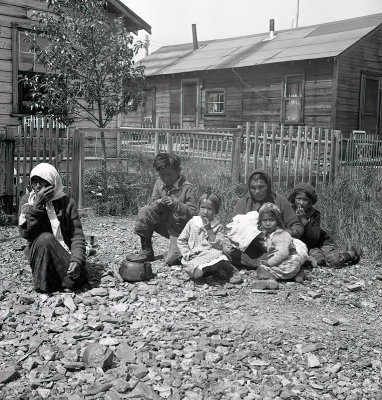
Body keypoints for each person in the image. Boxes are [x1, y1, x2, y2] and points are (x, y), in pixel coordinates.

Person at [18, 163, 87, 292]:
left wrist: (77, 260)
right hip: (38, 253)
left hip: (61, 251)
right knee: (45, 239)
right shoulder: (27, 202)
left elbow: (77, 236)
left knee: (75, 279)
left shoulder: (66, 203)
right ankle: (46, 285)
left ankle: (62, 279)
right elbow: (26, 233)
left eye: (43, 182)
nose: (38, 186)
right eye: (35, 182)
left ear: (53, 183)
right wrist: (37, 207)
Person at [229, 169, 303, 268]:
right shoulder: (243, 203)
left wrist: (283, 234)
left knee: (292, 251)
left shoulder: (280, 202)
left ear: (268, 186)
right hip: (252, 248)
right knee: (232, 254)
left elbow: (298, 227)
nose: (257, 191)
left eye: (261, 187)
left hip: (277, 245)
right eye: (253, 188)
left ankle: (261, 264)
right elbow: (234, 231)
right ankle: (262, 264)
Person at [134, 153, 197, 265]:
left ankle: (177, 249)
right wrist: (159, 203)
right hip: (163, 223)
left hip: (180, 229)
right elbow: (152, 203)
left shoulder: (187, 187)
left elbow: (193, 213)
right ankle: (146, 249)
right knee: (145, 211)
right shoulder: (159, 183)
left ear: (178, 170)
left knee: (173, 260)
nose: (166, 178)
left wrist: (176, 204)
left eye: (169, 174)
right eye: (162, 175)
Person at [288, 183, 361, 268]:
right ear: (293, 199)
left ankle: (351, 253)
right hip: (305, 245)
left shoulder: (315, 214)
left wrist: (304, 221)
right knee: (319, 262)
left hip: (320, 242)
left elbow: (314, 238)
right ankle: (320, 256)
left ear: (310, 202)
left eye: (305, 200)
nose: (301, 203)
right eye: (298, 199)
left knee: (335, 262)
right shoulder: (288, 212)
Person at [177, 192, 243, 284]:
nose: (205, 211)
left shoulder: (217, 226)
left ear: (216, 211)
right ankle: (212, 269)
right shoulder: (192, 223)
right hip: (195, 256)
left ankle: (224, 269)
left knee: (220, 255)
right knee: (194, 271)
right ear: (198, 208)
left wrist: (209, 229)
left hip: (211, 253)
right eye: (203, 207)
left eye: (209, 209)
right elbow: (181, 240)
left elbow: (219, 246)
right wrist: (187, 253)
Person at [254, 202, 307, 287]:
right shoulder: (271, 235)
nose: (268, 223)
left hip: (288, 265)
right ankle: (299, 274)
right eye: (264, 220)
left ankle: (270, 280)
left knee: (261, 268)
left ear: (277, 221)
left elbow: (283, 253)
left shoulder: (279, 234)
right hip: (294, 265)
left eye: (271, 220)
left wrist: (269, 263)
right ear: (260, 222)